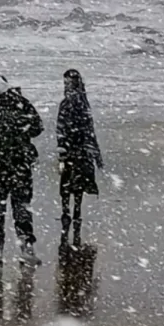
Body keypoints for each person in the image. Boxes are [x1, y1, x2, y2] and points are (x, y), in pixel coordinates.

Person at [0, 73, 43, 264]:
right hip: (20, 165)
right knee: (22, 207)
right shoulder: (22, 103)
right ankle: (26, 247)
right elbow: (37, 127)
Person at [57, 69, 103, 246]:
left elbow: (61, 127)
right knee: (77, 181)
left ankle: (68, 212)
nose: (66, 86)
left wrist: (62, 147)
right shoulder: (83, 102)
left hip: (73, 149)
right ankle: (74, 212)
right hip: (79, 149)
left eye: (68, 83)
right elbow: (88, 128)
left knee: (68, 181)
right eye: (65, 83)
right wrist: (93, 150)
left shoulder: (70, 103)